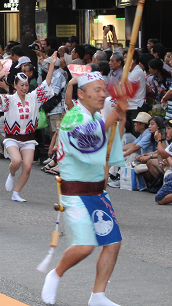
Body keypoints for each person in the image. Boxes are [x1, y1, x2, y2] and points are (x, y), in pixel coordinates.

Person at [41, 72, 127, 306]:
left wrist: (121, 115)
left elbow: (110, 144)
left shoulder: (96, 116)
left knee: (112, 242)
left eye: (103, 89)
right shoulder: (73, 117)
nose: (103, 94)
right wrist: (113, 117)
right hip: (76, 192)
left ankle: (98, 296)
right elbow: (91, 144)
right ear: (81, 93)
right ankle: (56, 273)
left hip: (98, 192)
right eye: (97, 90)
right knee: (85, 245)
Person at [0, 66, 54, 202]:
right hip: (12, 137)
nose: (24, 87)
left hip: (29, 138)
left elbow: (47, 83)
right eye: (21, 85)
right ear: (15, 86)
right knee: (16, 161)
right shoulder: (10, 99)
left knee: (28, 166)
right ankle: (11, 174)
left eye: (26, 85)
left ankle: (16, 193)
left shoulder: (34, 97)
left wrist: (52, 64)